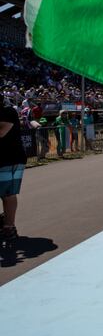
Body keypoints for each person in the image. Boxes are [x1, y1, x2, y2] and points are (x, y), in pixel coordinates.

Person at [0, 98, 26, 246]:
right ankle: (3, 220)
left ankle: (9, 227)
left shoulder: (8, 112)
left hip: (10, 159)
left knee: (8, 193)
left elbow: (1, 132)